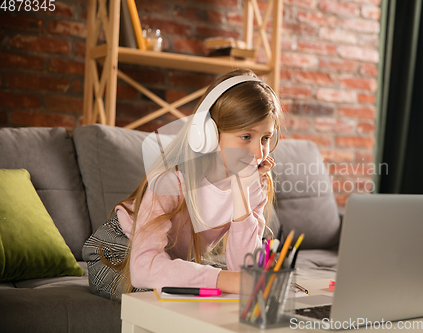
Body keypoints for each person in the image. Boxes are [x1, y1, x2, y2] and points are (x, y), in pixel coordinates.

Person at [82, 69, 283, 300]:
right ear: (209, 133)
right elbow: (143, 269)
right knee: (170, 295)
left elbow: (244, 272)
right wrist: (228, 280)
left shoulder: (253, 184)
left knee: (225, 291)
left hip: (172, 257)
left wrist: (242, 192)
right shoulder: (172, 180)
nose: (259, 153)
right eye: (246, 137)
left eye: (266, 138)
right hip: (120, 251)